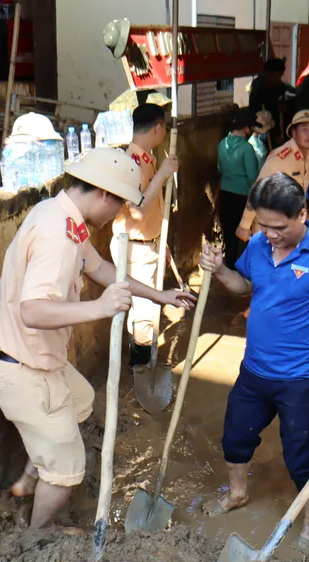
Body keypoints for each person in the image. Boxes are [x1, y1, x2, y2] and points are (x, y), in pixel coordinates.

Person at [0, 148, 195, 532]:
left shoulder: (62, 216)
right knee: (68, 469)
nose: (117, 214)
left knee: (80, 402)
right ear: (104, 194)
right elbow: (33, 311)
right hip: (22, 369)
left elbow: (99, 268)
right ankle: (40, 532)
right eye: (119, 205)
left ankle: (30, 477)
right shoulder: (56, 236)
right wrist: (100, 308)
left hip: (38, 361)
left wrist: (158, 295)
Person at [200, 173, 309, 554]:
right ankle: (237, 493)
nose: (269, 234)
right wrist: (220, 270)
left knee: (300, 455)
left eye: (278, 227)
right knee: (235, 438)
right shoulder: (256, 245)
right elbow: (244, 286)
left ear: (303, 214)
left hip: (300, 379)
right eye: (263, 225)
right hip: (254, 371)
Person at [108, 104, 180, 394]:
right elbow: (138, 209)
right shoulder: (133, 161)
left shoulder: (145, 157)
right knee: (145, 312)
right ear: (159, 128)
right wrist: (163, 175)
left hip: (145, 245)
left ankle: (138, 367)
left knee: (140, 310)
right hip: (134, 247)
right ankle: (141, 375)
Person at [236, 109, 309, 242]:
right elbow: (258, 190)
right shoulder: (281, 158)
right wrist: (244, 225)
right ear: (294, 133)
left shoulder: (308, 157)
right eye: (304, 130)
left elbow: (300, 195)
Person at [217, 108, 263, 267]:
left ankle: (229, 265)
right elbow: (253, 177)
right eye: (250, 127)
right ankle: (244, 268)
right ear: (245, 128)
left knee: (228, 232)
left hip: (224, 193)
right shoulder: (247, 148)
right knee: (244, 233)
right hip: (243, 196)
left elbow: (220, 168)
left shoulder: (222, 144)